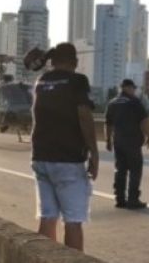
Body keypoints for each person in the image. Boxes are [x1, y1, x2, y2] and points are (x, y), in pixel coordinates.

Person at [29, 42, 98, 251]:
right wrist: (94, 153)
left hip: (40, 157)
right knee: (73, 221)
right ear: (75, 62)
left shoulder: (41, 80)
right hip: (67, 160)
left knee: (47, 217)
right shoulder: (77, 81)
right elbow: (84, 116)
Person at [105, 79, 149, 209]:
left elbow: (108, 124)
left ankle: (119, 199)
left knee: (120, 170)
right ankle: (133, 199)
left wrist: (108, 140)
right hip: (132, 141)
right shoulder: (134, 102)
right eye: (133, 88)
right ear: (128, 88)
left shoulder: (112, 103)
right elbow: (144, 120)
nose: (134, 91)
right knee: (135, 170)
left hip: (118, 142)